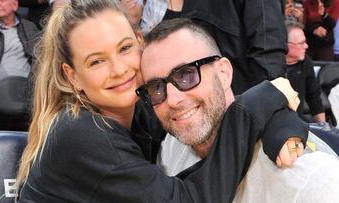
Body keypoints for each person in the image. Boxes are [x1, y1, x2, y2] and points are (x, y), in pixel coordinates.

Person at [16, 1, 305, 202]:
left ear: (140, 41)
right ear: (73, 76)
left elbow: (209, 115)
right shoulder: (82, 133)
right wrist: (258, 104)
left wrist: (276, 117)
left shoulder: (140, 109)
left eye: (125, 48)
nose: (119, 69)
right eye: (96, 61)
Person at [138, 18, 339, 202]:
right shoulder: (171, 148)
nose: (172, 100)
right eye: (156, 88)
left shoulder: (310, 179)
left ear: (224, 73)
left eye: (186, 75)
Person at [140, 0, 287, 94]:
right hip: (189, 111)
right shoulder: (157, 6)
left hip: (241, 104)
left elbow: (268, 49)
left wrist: (267, 103)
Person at [0, 0, 39, 98]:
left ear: (15, 5)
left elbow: (40, 56)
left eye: (2, 0)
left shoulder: (29, 27)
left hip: (28, 88)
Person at [285, 20, 326, 123]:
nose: (306, 46)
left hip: (297, 122)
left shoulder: (306, 62)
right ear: (286, 45)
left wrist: (324, 128)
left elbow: (314, 98)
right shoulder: (270, 65)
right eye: (301, 43)